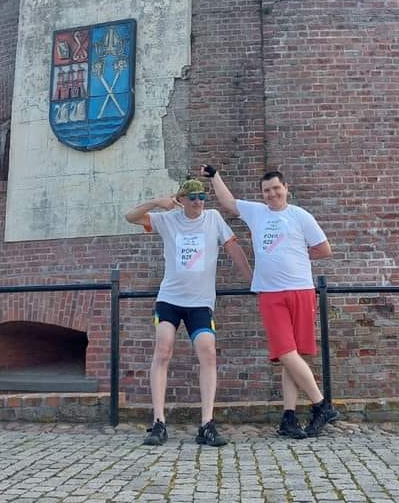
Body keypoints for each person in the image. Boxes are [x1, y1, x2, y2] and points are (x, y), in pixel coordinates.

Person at [204, 165, 339, 438]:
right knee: (285, 351)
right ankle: (321, 405)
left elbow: (324, 249)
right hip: (270, 292)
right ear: (262, 193)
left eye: (277, 188)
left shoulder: (300, 216)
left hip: (300, 289)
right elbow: (228, 202)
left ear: (286, 188)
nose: (272, 194)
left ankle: (289, 417)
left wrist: (297, 253)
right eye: (267, 190)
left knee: (293, 355)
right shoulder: (256, 212)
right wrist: (215, 176)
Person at [125, 178, 252, 447]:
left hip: (200, 302)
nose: (198, 202)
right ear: (181, 199)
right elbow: (130, 217)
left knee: (208, 351)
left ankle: (207, 423)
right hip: (170, 299)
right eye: (192, 197)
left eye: (202, 197)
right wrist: (156, 202)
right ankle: (158, 422)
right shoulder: (167, 219)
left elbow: (233, 248)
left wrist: (253, 280)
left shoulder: (213, 218)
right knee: (163, 349)